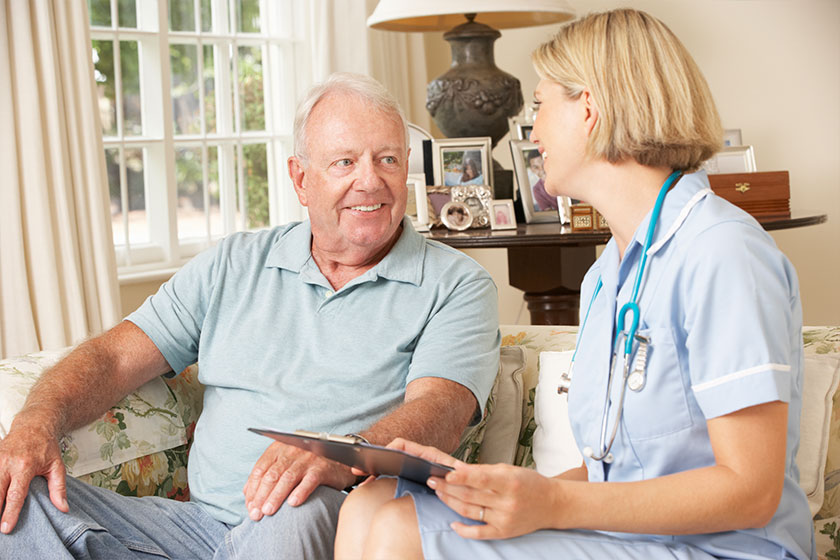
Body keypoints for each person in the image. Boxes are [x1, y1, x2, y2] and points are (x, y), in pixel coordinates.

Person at [334, 9, 814, 560]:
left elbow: (751, 490)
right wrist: (497, 491)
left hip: (725, 549)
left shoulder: (722, 251)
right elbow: (619, 470)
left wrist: (554, 505)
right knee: (369, 504)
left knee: (398, 531)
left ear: (590, 107)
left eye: (540, 107)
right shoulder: (607, 275)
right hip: (635, 537)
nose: (532, 131)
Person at [0, 73, 500, 559]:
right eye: (345, 162)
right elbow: (113, 357)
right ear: (301, 179)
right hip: (195, 530)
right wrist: (35, 422)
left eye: (387, 159)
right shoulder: (233, 263)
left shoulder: (457, 285)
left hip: (324, 520)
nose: (369, 181)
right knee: (14, 493)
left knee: (295, 504)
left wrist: (339, 454)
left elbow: (441, 412)